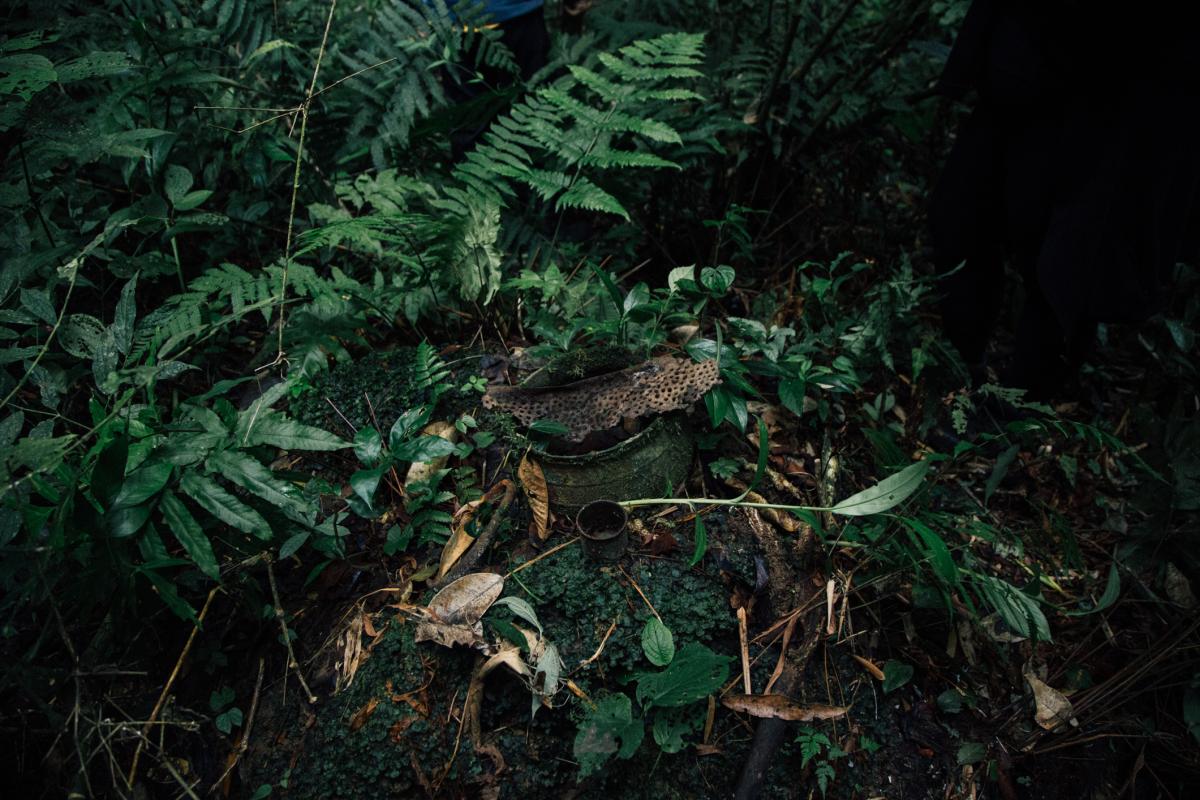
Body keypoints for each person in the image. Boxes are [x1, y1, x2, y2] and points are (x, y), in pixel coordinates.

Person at [930, 1, 1200, 398]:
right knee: (959, 216)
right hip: (1027, 74)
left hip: (1111, 96)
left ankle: (1020, 404)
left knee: (1067, 260)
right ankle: (963, 364)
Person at [442, 1, 592, 160]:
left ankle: (476, 178)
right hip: (514, 13)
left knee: (473, 121)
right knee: (530, 110)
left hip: (463, 18)